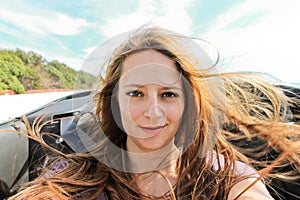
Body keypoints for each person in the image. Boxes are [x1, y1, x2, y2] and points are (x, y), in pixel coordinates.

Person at [9, 26, 300, 200]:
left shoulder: (228, 178)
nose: (153, 112)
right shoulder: (75, 177)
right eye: (136, 93)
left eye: (168, 94)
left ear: (188, 103)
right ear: (115, 102)